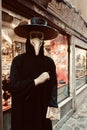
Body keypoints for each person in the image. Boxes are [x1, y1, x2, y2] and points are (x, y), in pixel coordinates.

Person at [9, 17, 58, 130]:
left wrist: (53, 108)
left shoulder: (49, 62)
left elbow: (53, 86)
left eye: (39, 36)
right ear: (28, 38)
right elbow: (13, 86)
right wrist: (36, 81)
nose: (36, 39)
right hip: (23, 112)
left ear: (43, 39)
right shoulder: (18, 61)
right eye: (33, 35)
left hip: (42, 110)